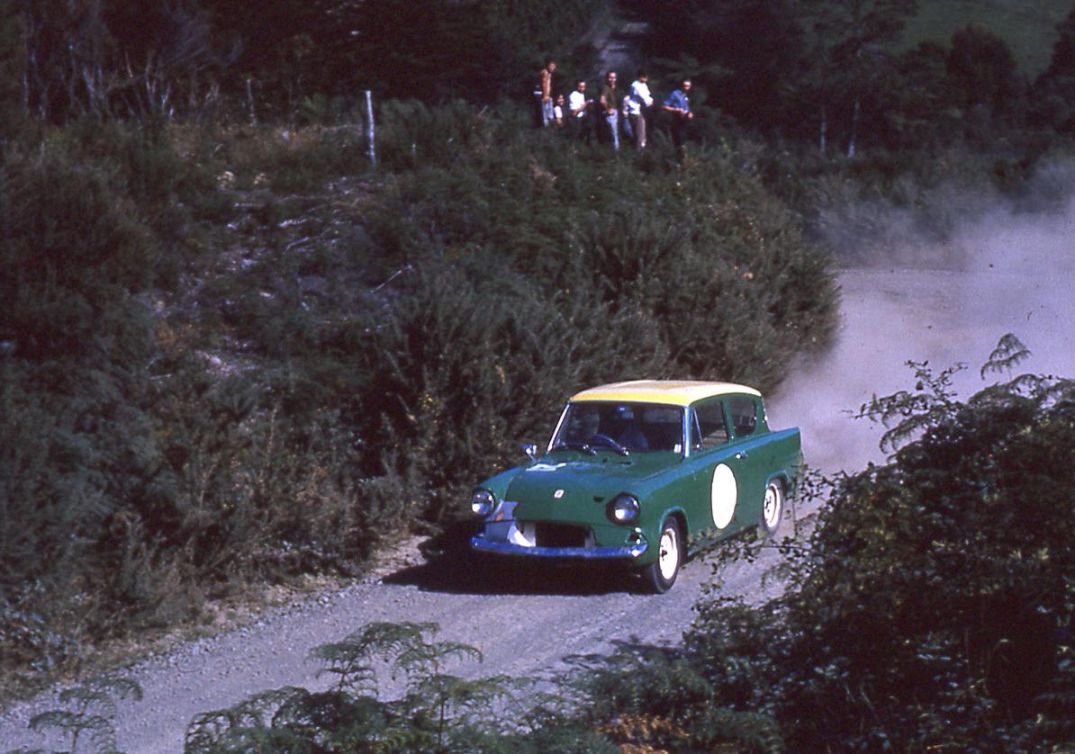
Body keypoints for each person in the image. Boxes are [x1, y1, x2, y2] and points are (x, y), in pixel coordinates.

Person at [662, 78, 693, 155]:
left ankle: (684, 158)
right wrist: (676, 110)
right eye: (685, 86)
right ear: (681, 86)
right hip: (676, 121)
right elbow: (664, 106)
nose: (686, 88)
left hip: (684, 121)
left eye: (688, 86)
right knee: (678, 142)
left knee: (684, 142)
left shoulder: (686, 96)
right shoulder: (675, 94)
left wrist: (690, 113)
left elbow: (687, 108)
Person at [625, 71, 654, 149]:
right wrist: (651, 102)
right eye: (645, 77)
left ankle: (641, 150)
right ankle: (639, 152)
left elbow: (648, 95)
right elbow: (646, 100)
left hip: (642, 112)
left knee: (643, 135)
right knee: (640, 136)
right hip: (636, 113)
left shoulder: (643, 85)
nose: (647, 79)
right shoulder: (636, 86)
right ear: (640, 77)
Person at [599, 71, 621, 151]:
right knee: (613, 134)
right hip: (610, 114)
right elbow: (602, 100)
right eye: (610, 77)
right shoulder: (606, 88)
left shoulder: (614, 88)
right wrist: (608, 109)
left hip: (615, 112)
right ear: (607, 78)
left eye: (614, 78)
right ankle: (615, 153)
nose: (612, 79)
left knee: (614, 133)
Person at [537, 58, 556, 127]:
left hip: (548, 95)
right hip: (545, 96)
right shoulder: (545, 73)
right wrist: (545, 95)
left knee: (549, 115)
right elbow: (544, 84)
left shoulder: (549, 74)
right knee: (545, 115)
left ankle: (549, 127)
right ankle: (546, 128)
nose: (553, 68)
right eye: (551, 66)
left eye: (554, 66)